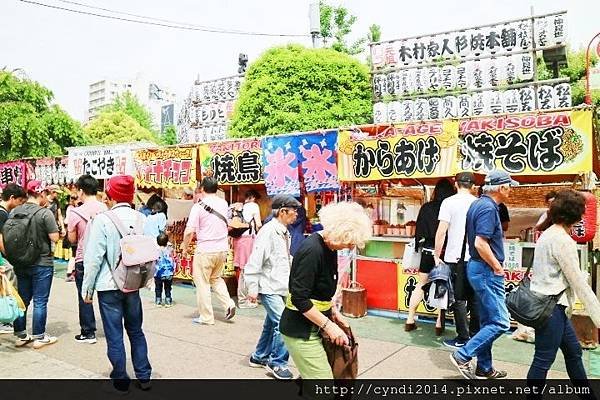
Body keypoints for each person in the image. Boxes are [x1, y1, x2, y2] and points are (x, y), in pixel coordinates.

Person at [280, 201, 372, 379]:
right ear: (339, 233)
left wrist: (334, 313)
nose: (350, 247)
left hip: (314, 327)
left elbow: (321, 290)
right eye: (349, 242)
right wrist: (329, 326)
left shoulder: (329, 247)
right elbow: (300, 298)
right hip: (301, 330)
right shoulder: (313, 250)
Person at [82, 175, 152, 393]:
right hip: (132, 284)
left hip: (108, 286)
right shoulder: (142, 219)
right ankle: (144, 375)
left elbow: (93, 258)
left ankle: (121, 379)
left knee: (114, 334)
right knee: (136, 331)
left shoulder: (102, 220)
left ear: (110, 196)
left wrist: (87, 289)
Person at [527, 190, 600, 395]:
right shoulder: (562, 240)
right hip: (552, 308)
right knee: (543, 359)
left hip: (546, 304)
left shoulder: (548, 234)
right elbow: (578, 283)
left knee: (573, 352)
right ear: (576, 214)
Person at [450, 170, 518, 379]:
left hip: (478, 268)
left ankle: (484, 368)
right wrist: (498, 267)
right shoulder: (488, 208)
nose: (511, 190)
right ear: (502, 187)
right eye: (510, 186)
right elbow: (481, 243)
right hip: (486, 270)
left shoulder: (478, 204)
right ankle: (463, 355)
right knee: (500, 322)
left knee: (489, 321)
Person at [245, 195, 301, 380]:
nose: (296, 214)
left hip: (280, 286)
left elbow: (283, 258)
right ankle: (277, 362)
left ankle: (259, 356)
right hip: (269, 286)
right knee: (285, 323)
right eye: (294, 211)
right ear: (283, 211)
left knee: (271, 324)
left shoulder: (284, 231)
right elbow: (255, 260)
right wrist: (252, 288)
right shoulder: (269, 231)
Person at [1, 181, 59, 349]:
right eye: (45, 194)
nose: (47, 198)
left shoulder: (14, 212)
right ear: (40, 194)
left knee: (23, 298)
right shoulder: (44, 213)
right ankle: (39, 336)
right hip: (42, 262)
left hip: (21, 262)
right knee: (40, 301)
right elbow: (54, 238)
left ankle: (20, 335)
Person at [434, 172, 479, 349]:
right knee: (475, 297)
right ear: (473, 186)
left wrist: (437, 255)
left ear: (455, 183)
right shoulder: (478, 203)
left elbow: (441, 231)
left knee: (458, 298)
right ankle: (476, 335)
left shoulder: (448, 202)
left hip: (454, 257)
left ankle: (463, 337)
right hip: (476, 257)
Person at [182, 177, 236, 325]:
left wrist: (185, 247)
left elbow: (189, 231)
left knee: (202, 283)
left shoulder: (198, 207)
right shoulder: (224, 203)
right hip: (222, 249)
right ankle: (229, 304)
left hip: (205, 250)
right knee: (216, 279)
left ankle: (206, 317)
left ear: (202, 189)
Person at [405, 178, 456, 335]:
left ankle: (410, 319)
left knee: (421, 285)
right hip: (444, 253)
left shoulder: (426, 208)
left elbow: (418, 232)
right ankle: (439, 324)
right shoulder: (451, 208)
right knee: (443, 286)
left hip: (427, 252)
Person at [66, 175, 107, 344]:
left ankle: (88, 332)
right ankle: (111, 327)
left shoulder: (75, 212)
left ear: (81, 191)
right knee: (106, 294)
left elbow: (73, 239)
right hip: (104, 257)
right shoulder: (105, 208)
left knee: (85, 295)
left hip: (84, 258)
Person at [0, 183, 27, 334]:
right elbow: (1, 239)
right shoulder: (2, 214)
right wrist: (8, 257)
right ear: (12, 198)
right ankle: (4, 319)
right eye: (19, 202)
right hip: (2, 259)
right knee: (7, 288)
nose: (20, 206)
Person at [233, 189, 262, 309]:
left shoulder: (240, 207)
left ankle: (249, 297)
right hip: (248, 240)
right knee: (247, 269)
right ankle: (243, 300)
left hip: (238, 239)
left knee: (242, 268)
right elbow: (259, 224)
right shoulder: (254, 206)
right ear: (253, 198)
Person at [154, 232, 175, 307]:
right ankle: (168, 300)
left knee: (158, 287)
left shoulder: (156, 250)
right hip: (169, 272)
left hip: (158, 273)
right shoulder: (170, 249)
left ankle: (158, 300)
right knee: (168, 287)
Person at [64, 193, 80, 282]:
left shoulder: (72, 208)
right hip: (73, 233)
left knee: (74, 254)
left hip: (72, 232)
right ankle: (70, 272)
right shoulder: (72, 209)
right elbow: (67, 220)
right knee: (74, 254)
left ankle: (71, 272)